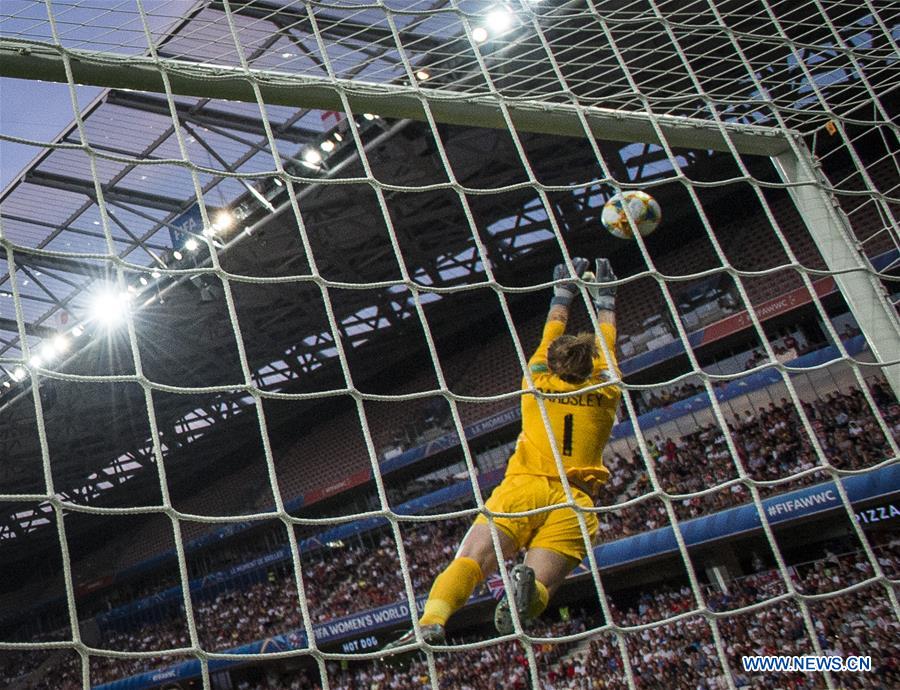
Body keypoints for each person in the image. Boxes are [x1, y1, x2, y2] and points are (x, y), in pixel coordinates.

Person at [382, 256, 621, 661]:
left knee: (472, 560)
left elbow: (550, 336)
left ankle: (432, 622)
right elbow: (607, 339)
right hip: (575, 501)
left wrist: (561, 294)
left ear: (554, 364)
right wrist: (607, 301)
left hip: (522, 488)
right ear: (591, 362)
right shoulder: (606, 387)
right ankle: (525, 601)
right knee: (545, 583)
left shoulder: (537, 382)